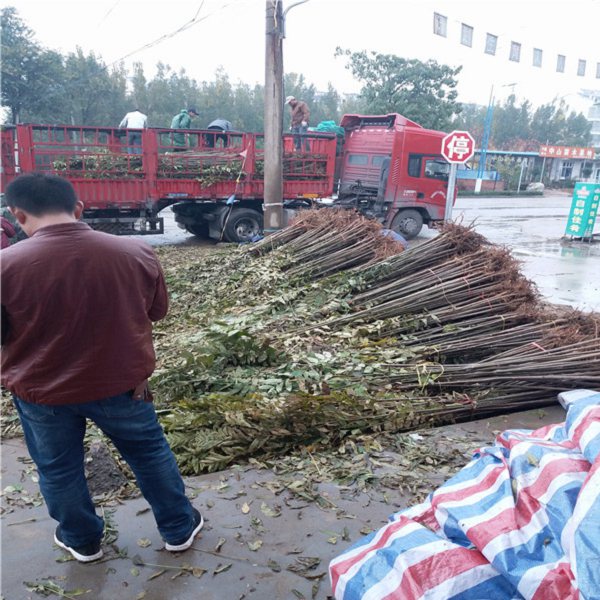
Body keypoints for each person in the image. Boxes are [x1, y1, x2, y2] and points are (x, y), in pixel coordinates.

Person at [0, 173, 203, 563]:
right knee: (148, 454)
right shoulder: (136, 252)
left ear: (17, 214)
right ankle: (178, 529)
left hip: (42, 393)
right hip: (123, 385)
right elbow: (157, 312)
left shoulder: (5, 266)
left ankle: (82, 541)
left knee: (58, 468)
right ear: (78, 209)